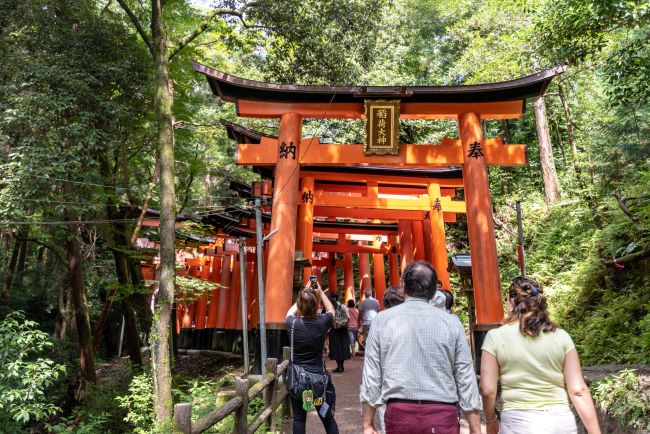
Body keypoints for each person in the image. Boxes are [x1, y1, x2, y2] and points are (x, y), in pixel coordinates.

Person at [360, 261, 482, 434]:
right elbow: (465, 376)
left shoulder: (382, 320)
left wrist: (368, 423)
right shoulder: (451, 323)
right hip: (442, 414)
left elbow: (371, 374)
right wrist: (475, 428)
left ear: (404, 288)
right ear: (434, 291)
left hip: (399, 413)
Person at [480, 277, 601, 434]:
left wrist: (491, 421)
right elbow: (578, 390)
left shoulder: (495, 337)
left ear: (510, 303)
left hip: (518, 424)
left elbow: (488, 390)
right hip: (560, 423)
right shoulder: (561, 336)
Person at [286, 282, 340, 434]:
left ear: (300, 305)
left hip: (298, 382)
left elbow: (289, 312)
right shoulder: (322, 322)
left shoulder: (292, 323)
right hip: (318, 384)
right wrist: (320, 292)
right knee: (326, 416)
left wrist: (304, 292)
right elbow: (331, 309)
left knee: (299, 419)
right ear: (316, 306)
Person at [328, 293, 351, 372]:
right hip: (343, 329)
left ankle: (339, 366)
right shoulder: (343, 306)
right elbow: (348, 317)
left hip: (334, 329)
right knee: (342, 347)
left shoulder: (330, 308)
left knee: (336, 348)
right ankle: (342, 366)